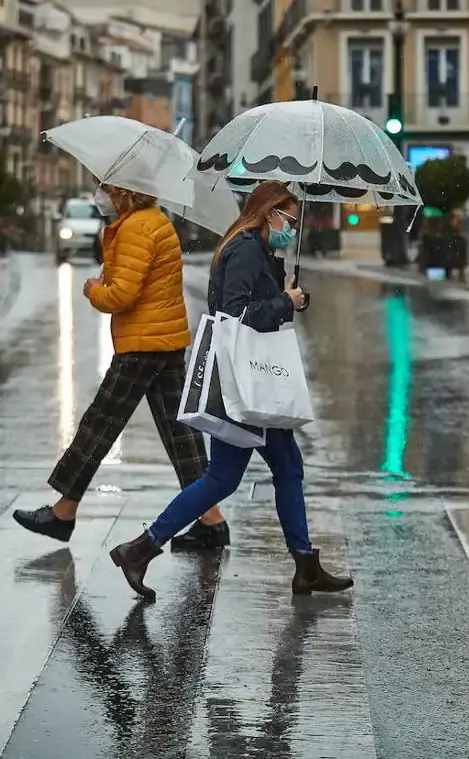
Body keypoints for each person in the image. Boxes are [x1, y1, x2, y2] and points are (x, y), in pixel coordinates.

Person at [108, 180, 354, 601]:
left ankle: (303, 563)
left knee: (273, 468)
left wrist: (289, 294)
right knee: (236, 475)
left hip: (251, 383)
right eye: (289, 220)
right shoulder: (243, 250)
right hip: (245, 386)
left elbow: (256, 302)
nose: (292, 229)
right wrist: (284, 303)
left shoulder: (256, 249)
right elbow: (236, 312)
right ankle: (141, 548)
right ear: (269, 213)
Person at [11, 184, 229, 550]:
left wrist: (94, 288)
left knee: (101, 422)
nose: (104, 196)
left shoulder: (136, 227)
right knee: (180, 433)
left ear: (127, 194)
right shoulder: (155, 221)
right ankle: (211, 520)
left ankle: (63, 512)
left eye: (110, 190)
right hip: (166, 339)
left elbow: (122, 295)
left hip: (142, 344)